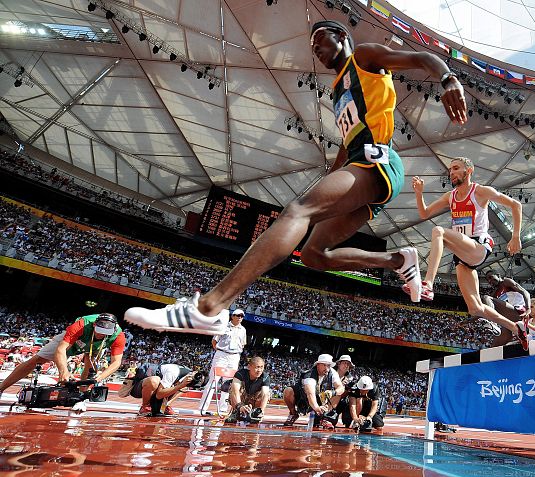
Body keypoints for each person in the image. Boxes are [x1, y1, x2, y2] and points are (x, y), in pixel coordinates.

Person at [124, 19, 469, 334]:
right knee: (314, 255)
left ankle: (210, 307)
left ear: (342, 37)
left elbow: (423, 57)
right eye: (312, 45)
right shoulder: (337, 89)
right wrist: (330, 182)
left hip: (377, 161)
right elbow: (347, 144)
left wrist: (448, 79)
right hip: (360, 163)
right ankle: (397, 260)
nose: (316, 49)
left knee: (297, 211)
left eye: (321, 40)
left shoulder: (363, 57)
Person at [407, 158, 529, 349]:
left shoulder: (480, 192)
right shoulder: (451, 196)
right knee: (475, 308)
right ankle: (516, 328)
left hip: (479, 246)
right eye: (450, 170)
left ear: (469, 170)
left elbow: (516, 205)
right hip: (463, 256)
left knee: (438, 231)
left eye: (456, 168)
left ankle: (428, 284)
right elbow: (424, 213)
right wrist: (419, 193)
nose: (451, 173)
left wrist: (515, 236)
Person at [0, 313, 124, 396]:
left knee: (90, 365)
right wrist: (63, 371)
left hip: (95, 347)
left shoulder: (118, 335)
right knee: (36, 360)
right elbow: (61, 348)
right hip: (72, 340)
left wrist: (99, 378)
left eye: (105, 333)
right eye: (99, 331)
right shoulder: (81, 324)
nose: (100, 335)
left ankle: (80, 396)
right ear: (94, 325)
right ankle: (1, 387)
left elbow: (116, 362)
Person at [199, 308, 247, 415]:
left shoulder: (243, 330)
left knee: (228, 384)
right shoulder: (224, 326)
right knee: (213, 381)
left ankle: (222, 409)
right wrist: (221, 352)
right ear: (232, 316)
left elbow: (243, 344)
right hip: (222, 354)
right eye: (238, 315)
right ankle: (203, 408)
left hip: (234, 356)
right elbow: (214, 341)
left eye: (242, 316)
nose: (240, 317)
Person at [282, 353, 345, 428]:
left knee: (338, 394)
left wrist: (333, 392)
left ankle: (325, 417)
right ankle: (293, 413)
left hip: (320, 397)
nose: (327, 368)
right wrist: (317, 408)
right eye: (324, 365)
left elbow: (341, 388)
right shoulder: (309, 376)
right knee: (288, 391)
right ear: (318, 365)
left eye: (328, 365)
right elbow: (310, 394)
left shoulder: (332, 373)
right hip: (304, 398)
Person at [118, 362, 205, 416]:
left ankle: (165, 405)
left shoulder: (186, 376)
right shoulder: (174, 371)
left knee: (184, 387)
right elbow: (159, 395)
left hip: (156, 390)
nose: (192, 382)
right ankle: (145, 406)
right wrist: (180, 386)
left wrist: (182, 386)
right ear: (195, 372)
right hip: (139, 388)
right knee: (155, 380)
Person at [226, 356, 271, 424]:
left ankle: (255, 413)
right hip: (241, 399)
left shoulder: (265, 377)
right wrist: (240, 406)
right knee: (233, 388)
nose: (259, 370)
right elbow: (235, 391)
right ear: (249, 367)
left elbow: (265, 394)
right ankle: (235, 411)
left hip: (253, 399)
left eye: (262, 367)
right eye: (257, 367)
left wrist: (261, 411)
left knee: (267, 393)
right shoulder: (240, 374)